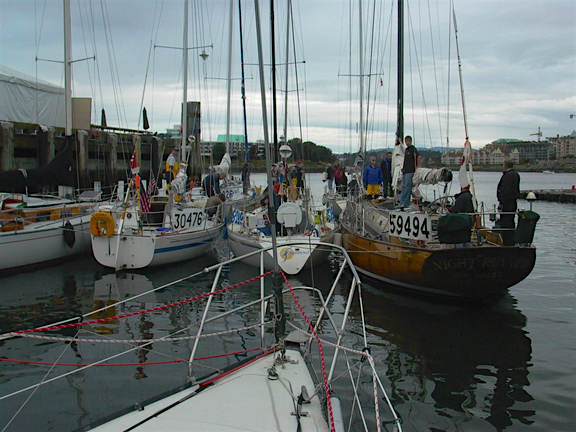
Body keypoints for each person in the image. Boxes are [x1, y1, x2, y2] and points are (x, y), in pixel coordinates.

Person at [497, 159, 521, 246]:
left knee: (506, 222)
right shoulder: (515, 174)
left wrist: (502, 200)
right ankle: (511, 240)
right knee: (510, 221)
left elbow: (505, 189)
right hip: (512, 202)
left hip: (507, 203)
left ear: (505, 165)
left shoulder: (508, 176)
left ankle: (507, 242)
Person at [398, 136, 422, 208]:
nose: (407, 143)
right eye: (406, 141)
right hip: (405, 171)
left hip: (410, 171)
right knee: (403, 187)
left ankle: (406, 203)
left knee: (407, 187)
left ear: (411, 141)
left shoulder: (413, 149)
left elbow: (419, 157)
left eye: (408, 141)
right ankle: (402, 202)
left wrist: (418, 167)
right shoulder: (406, 150)